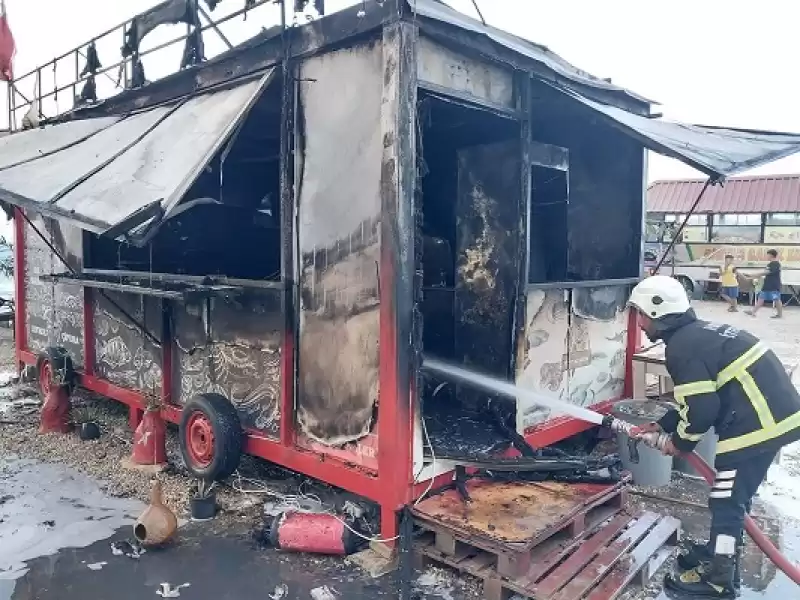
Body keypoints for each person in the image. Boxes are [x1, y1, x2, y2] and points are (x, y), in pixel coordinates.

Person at [627, 275, 800, 598]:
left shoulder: (682, 348)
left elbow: (703, 410)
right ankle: (719, 552)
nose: (639, 324)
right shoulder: (698, 335)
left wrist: (678, 443)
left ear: (657, 310)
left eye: (641, 314)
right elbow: (700, 398)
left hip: (756, 426)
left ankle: (719, 582)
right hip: (772, 417)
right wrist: (664, 424)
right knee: (731, 496)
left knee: (726, 500)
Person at [744, 249, 783, 319]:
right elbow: (763, 274)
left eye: (767, 255)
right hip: (767, 285)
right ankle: (753, 312)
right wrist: (750, 277)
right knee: (761, 299)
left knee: (776, 299)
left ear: (771, 255)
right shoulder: (770, 264)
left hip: (773, 285)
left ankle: (779, 314)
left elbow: (765, 272)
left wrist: (752, 274)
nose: (766, 256)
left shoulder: (775, 264)